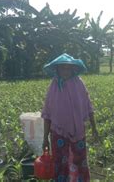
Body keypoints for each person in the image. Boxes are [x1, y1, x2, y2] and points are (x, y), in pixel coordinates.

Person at [41, 53, 99, 181]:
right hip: (58, 133)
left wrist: (94, 127)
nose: (65, 71)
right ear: (57, 69)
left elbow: (88, 106)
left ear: (73, 69)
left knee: (79, 162)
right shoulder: (54, 86)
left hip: (78, 131)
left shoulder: (79, 84)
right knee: (60, 164)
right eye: (62, 68)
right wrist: (45, 138)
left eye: (68, 68)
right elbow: (48, 113)